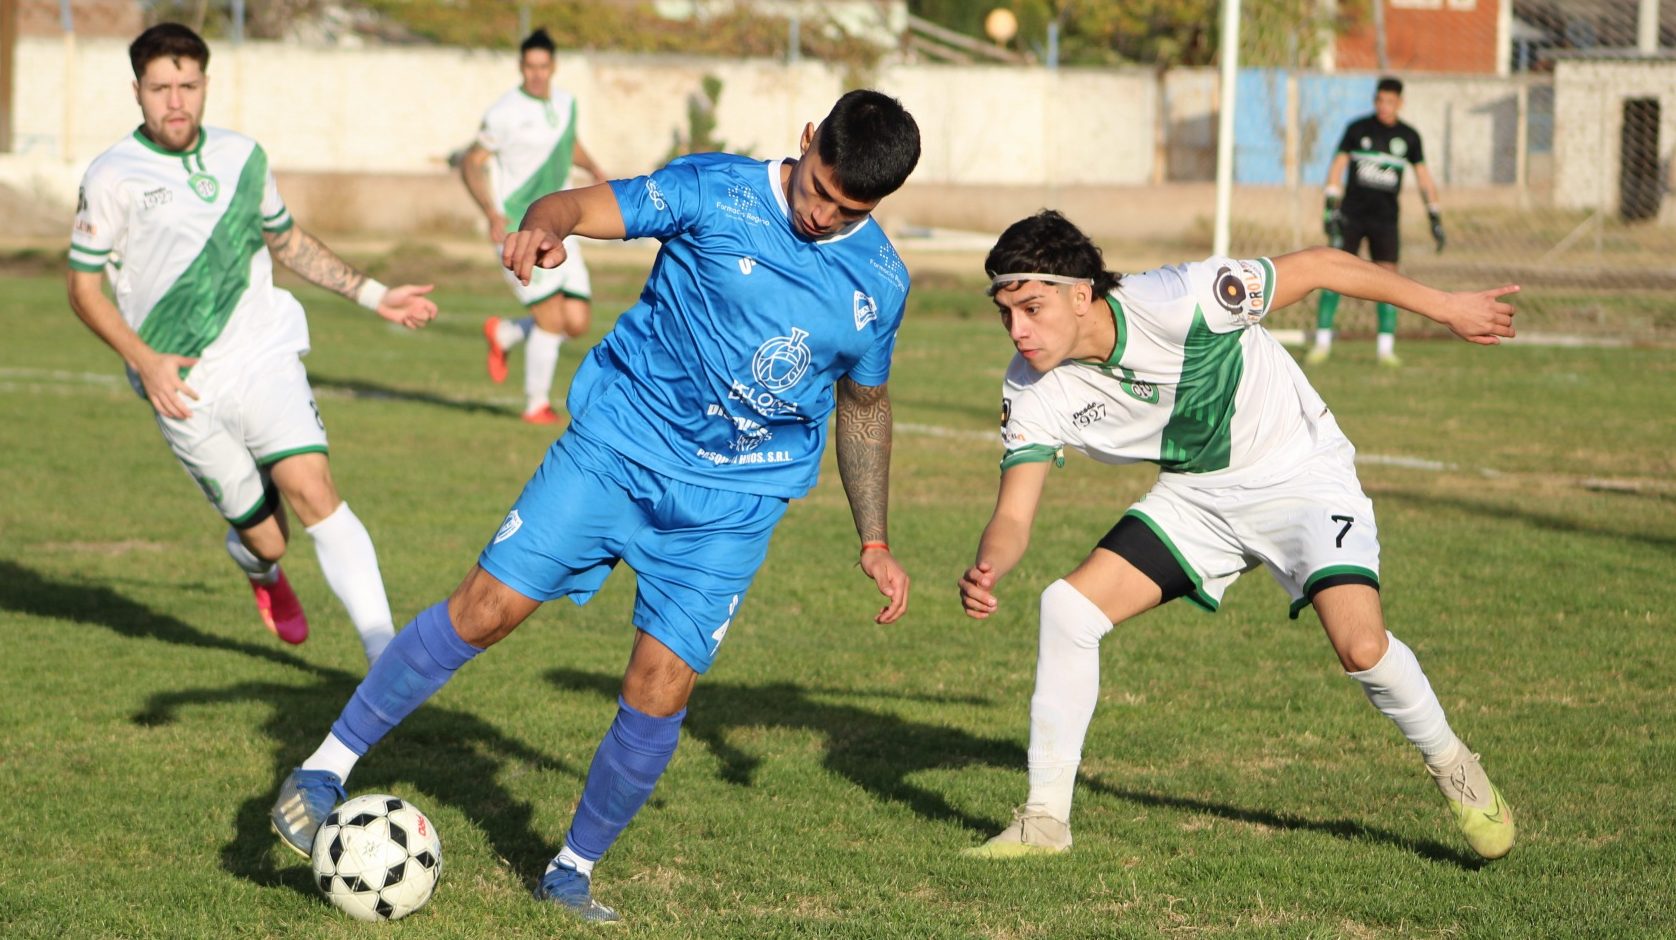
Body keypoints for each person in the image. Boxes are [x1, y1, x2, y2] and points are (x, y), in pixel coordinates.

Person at [269, 89, 921, 922]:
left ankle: (571, 869)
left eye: (846, 208)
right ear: (807, 140)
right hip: (615, 450)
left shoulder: (881, 281)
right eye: (819, 188)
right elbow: (578, 204)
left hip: (734, 505)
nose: (822, 214)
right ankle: (325, 766)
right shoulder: (712, 189)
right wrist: (547, 223)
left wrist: (875, 539)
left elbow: (864, 405)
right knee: (486, 609)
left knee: (660, 686)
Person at [956, 209, 1516, 862]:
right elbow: (1015, 515)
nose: (1017, 330)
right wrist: (987, 565)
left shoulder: (1182, 297)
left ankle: (1452, 763)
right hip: (1200, 497)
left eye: (1030, 308)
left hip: (1299, 472)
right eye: (1005, 313)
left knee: (1361, 647)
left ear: (1080, 294)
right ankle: (1046, 823)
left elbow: (1324, 266)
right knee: (1068, 608)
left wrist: (1447, 307)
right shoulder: (1030, 391)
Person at [66, 24, 437, 665]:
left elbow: (286, 241)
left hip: (261, 351)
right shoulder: (111, 176)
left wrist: (376, 295)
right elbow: (82, 288)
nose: (175, 101)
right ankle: (262, 574)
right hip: (180, 381)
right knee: (268, 539)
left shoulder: (244, 157)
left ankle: (386, 661)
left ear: (206, 84)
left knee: (314, 487)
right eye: (160, 88)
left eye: (187, 85)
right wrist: (144, 361)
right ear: (137, 92)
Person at [460, 27, 607, 425]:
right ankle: (535, 405)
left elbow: (567, 141)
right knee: (551, 320)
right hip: (519, 226)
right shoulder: (504, 112)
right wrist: (491, 212)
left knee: (576, 322)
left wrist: (592, 167)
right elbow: (471, 162)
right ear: (521, 66)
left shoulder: (565, 102)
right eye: (530, 67)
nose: (537, 74)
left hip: (561, 225)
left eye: (543, 66)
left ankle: (506, 334)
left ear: (553, 66)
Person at [1307, 76, 1445, 368]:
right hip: (1352, 216)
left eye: (1390, 102)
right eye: (1379, 100)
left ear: (1400, 103)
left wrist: (1434, 214)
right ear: (1375, 100)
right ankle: (1321, 343)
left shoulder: (1409, 137)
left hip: (1385, 221)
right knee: (1333, 274)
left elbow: (1423, 176)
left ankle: (1385, 348)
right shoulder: (1357, 129)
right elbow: (1338, 166)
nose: (1384, 106)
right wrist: (1330, 207)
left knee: (1388, 279)